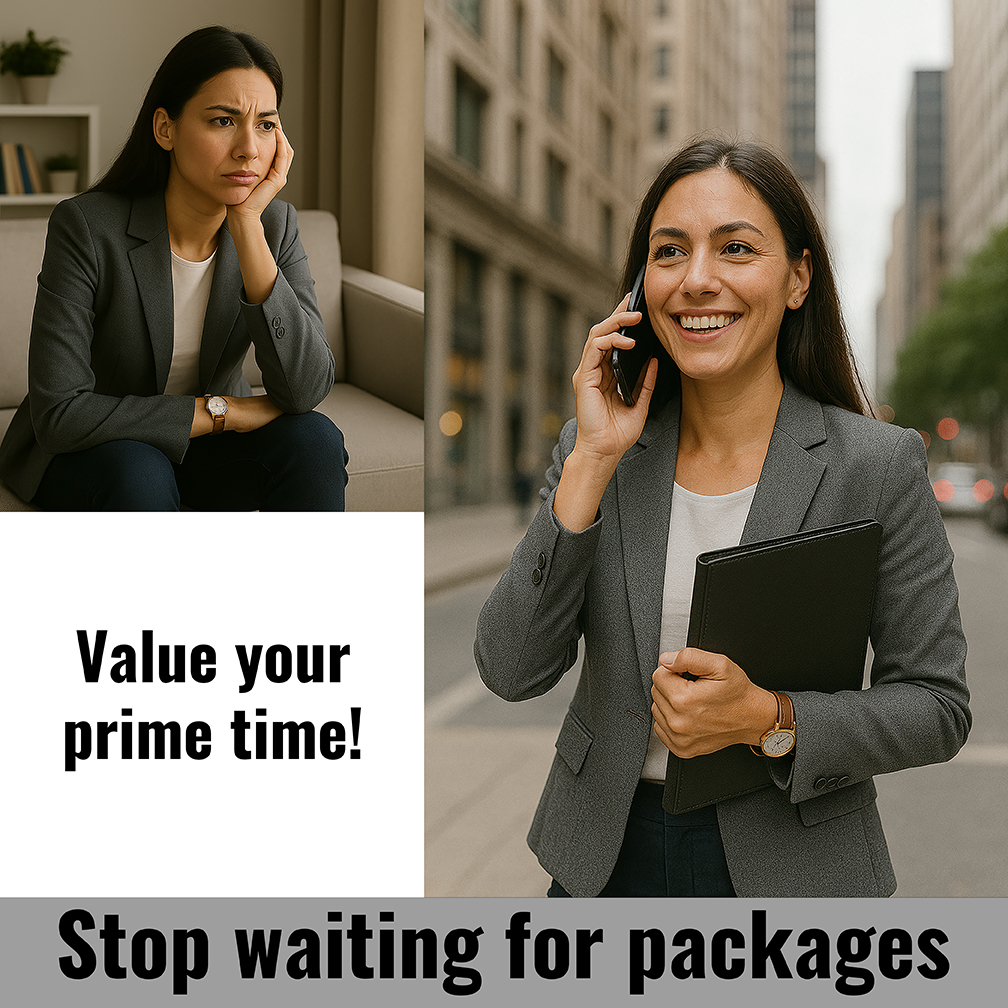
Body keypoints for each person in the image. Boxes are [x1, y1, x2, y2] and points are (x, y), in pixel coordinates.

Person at [474, 136, 970, 898]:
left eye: (735, 249)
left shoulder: (877, 466)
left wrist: (767, 719)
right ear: (641, 286)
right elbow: (511, 668)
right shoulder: (597, 449)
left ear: (798, 278)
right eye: (669, 252)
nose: (697, 280)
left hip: (794, 866)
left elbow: (937, 706)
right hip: (606, 858)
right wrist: (590, 464)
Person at [0, 26, 348, 510]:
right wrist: (219, 412)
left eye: (266, 125)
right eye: (223, 121)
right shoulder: (86, 226)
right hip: (98, 451)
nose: (249, 148)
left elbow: (305, 390)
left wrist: (247, 225)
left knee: (315, 442)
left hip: (201, 454)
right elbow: (60, 412)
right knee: (140, 469)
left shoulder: (275, 225)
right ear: (166, 128)